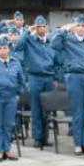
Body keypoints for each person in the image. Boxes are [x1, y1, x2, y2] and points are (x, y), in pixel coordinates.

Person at [51, 14, 84, 155]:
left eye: (83, 25)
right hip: (75, 76)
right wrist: (64, 29)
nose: (80, 28)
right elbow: (54, 44)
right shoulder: (67, 39)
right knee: (77, 112)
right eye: (78, 25)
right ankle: (78, 143)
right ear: (73, 27)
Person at [15, 15, 58, 148]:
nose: (41, 29)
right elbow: (17, 46)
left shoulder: (51, 42)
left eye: (43, 26)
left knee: (47, 109)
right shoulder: (29, 40)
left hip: (48, 78)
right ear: (35, 27)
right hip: (34, 77)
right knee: (36, 109)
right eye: (38, 26)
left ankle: (45, 137)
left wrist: (55, 78)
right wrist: (28, 31)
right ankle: (37, 137)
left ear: (47, 27)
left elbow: (57, 62)